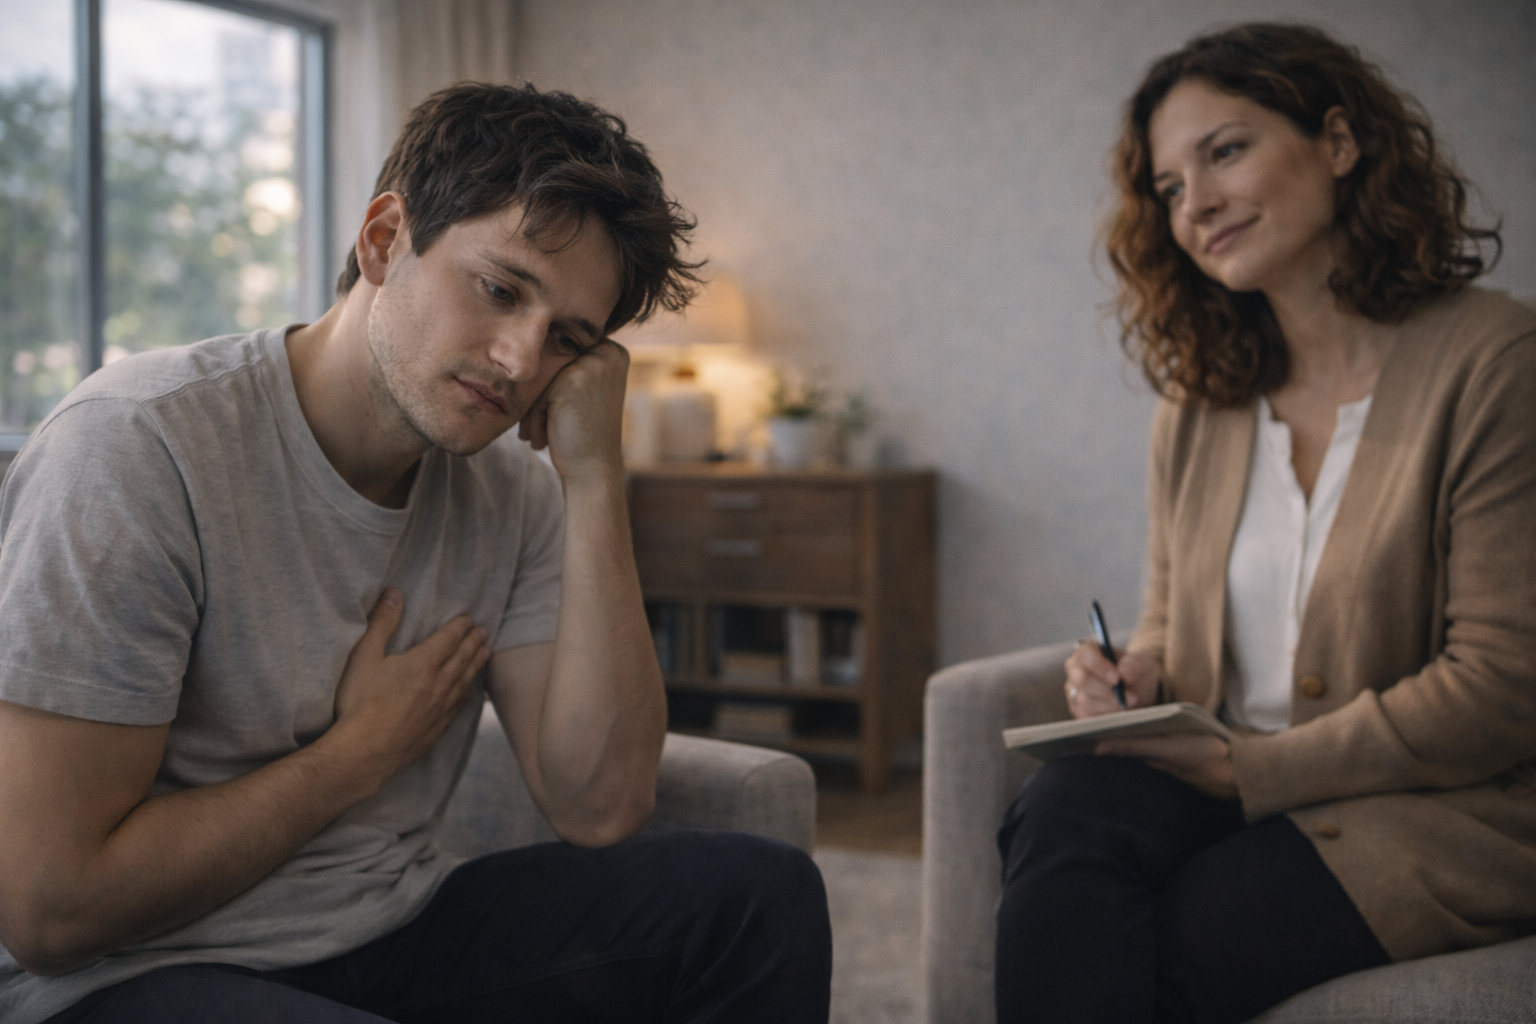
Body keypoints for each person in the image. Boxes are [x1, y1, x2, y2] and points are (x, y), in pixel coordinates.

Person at [0, 82, 831, 1024]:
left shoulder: (511, 490)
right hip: (125, 979)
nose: (521, 362)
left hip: (387, 931)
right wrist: (355, 756)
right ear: (385, 239)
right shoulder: (137, 447)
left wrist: (595, 480)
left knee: (757, 894)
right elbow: (51, 910)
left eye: (568, 339)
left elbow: (596, 806)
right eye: (500, 289)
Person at [995, 22, 1536, 1024]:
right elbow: (1167, 618)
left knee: (1176, 937)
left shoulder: (1498, 362)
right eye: (1167, 187)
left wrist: (1252, 769)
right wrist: (1140, 673)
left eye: (1225, 151)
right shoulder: (1199, 406)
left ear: (1339, 142)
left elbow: (1503, 689)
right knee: (1061, 809)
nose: (1194, 205)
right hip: (1233, 775)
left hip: (1439, 812)